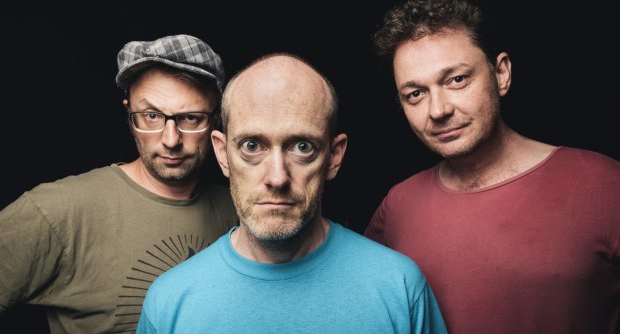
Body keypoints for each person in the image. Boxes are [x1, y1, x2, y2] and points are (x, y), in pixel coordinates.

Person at [364, 0, 620, 334]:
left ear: (501, 74)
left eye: (456, 80)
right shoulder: (397, 206)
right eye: (415, 94)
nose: (438, 110)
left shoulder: (603, 184)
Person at [135, 53, 447, 333]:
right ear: (222, 153)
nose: (277, 177)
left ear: (334, 157)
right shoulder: (169, 302)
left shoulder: (400, 288)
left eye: (302, 147)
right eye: (252, 146)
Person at [0, 34, 239, 333]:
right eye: (151, 116)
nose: (170, 140)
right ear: (128, 112)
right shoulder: (55, 211)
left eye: (190, 118)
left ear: (216, 118)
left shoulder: (240, 211)